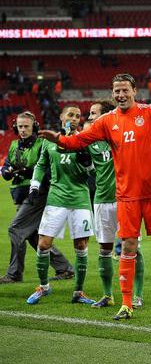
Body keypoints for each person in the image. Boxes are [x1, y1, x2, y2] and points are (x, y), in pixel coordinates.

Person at [39, 73, 151, 320]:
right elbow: (79, 141)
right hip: (127, 196)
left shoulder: (149, 111)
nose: (121, 95)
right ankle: (126, 304)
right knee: (128, 246)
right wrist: (58, 139)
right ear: (112, 94)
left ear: (134, 90)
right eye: (117, 91)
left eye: (125, 90)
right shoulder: (106, 121)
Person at [26, 105, 95, 306]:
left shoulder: (85, 140)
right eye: (70, 115)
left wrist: (88, 163)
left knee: (81, 246)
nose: (74, 119)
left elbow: (94, 174)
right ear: (61, 117)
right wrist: (34, 186)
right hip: (56, 199)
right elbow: (40, 165)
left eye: (77, 116)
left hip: (80, 199)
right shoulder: (49, 142)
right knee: (43, 244)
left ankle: (78, 292)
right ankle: (43, 287)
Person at [0, 112, 73, 284]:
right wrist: (8, 172)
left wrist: (26, 171)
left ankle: (14, 274)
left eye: (26, 126)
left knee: (15, 229)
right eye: (20, 126)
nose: (23, 130)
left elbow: (47, 169)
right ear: (15, 127)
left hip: (37, 194)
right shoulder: (13, 145)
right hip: (19, 194)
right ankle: (65, 268)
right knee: (32, 235)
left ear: (34, 127)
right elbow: (6, 170)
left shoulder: (42, 144)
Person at [86, 100, 146, 309]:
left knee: (132, 248)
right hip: (102, 199)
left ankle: (137, 295)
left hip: (127, 199)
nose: (90, 117)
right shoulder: (91, 141)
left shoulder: (124, 134)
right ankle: (107, 295)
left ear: (106, 116)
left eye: (94, 113)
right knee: (104, 248)